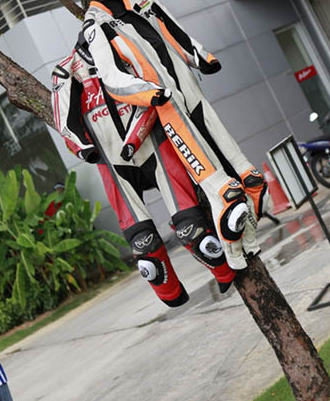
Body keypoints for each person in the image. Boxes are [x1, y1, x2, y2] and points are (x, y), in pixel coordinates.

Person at [80, 0, 268, 270]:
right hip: (167, 107)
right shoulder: (95, 25)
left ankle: (249, 244)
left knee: (250, 178)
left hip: (192, 92)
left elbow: (172, 28)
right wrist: (148, 93)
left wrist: (200, 56)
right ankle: (234, 255)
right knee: (223, 190)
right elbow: (112, 78)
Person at [52, 41, 236, 306]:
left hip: (155, 145)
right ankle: (172, 296)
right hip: (111, 162)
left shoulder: (123, 46)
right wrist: (84, 148)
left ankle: (227, 272)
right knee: (144, 248)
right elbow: (65, 122)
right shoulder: (66, 70)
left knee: (192, 229)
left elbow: (155, 82)